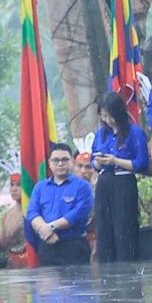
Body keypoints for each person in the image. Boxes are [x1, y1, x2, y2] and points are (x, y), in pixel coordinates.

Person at [88, 91, 147, 264]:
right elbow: (93, 161)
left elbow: (140, 163)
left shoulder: (134, 133)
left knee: (124, 226)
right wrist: (98, 162)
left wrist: (115, 160)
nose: (107, 119)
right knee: (104, 227)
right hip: (105, 181)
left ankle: (127, 264)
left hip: (123, 180)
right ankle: (107, 266)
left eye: (110, 115)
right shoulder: (101, 134)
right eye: (103, 115)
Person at [27, 141, 95, 267]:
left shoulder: (83, 186)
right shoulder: (40, 187)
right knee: (48, 285)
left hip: (74, 246)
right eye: (55, 160)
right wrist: (44, 230)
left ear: (72, 162)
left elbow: (77, 214)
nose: (60, 163)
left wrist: (50, 227)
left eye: (64, 159)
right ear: (49, 163)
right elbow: (32, 213)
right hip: (47, 244)